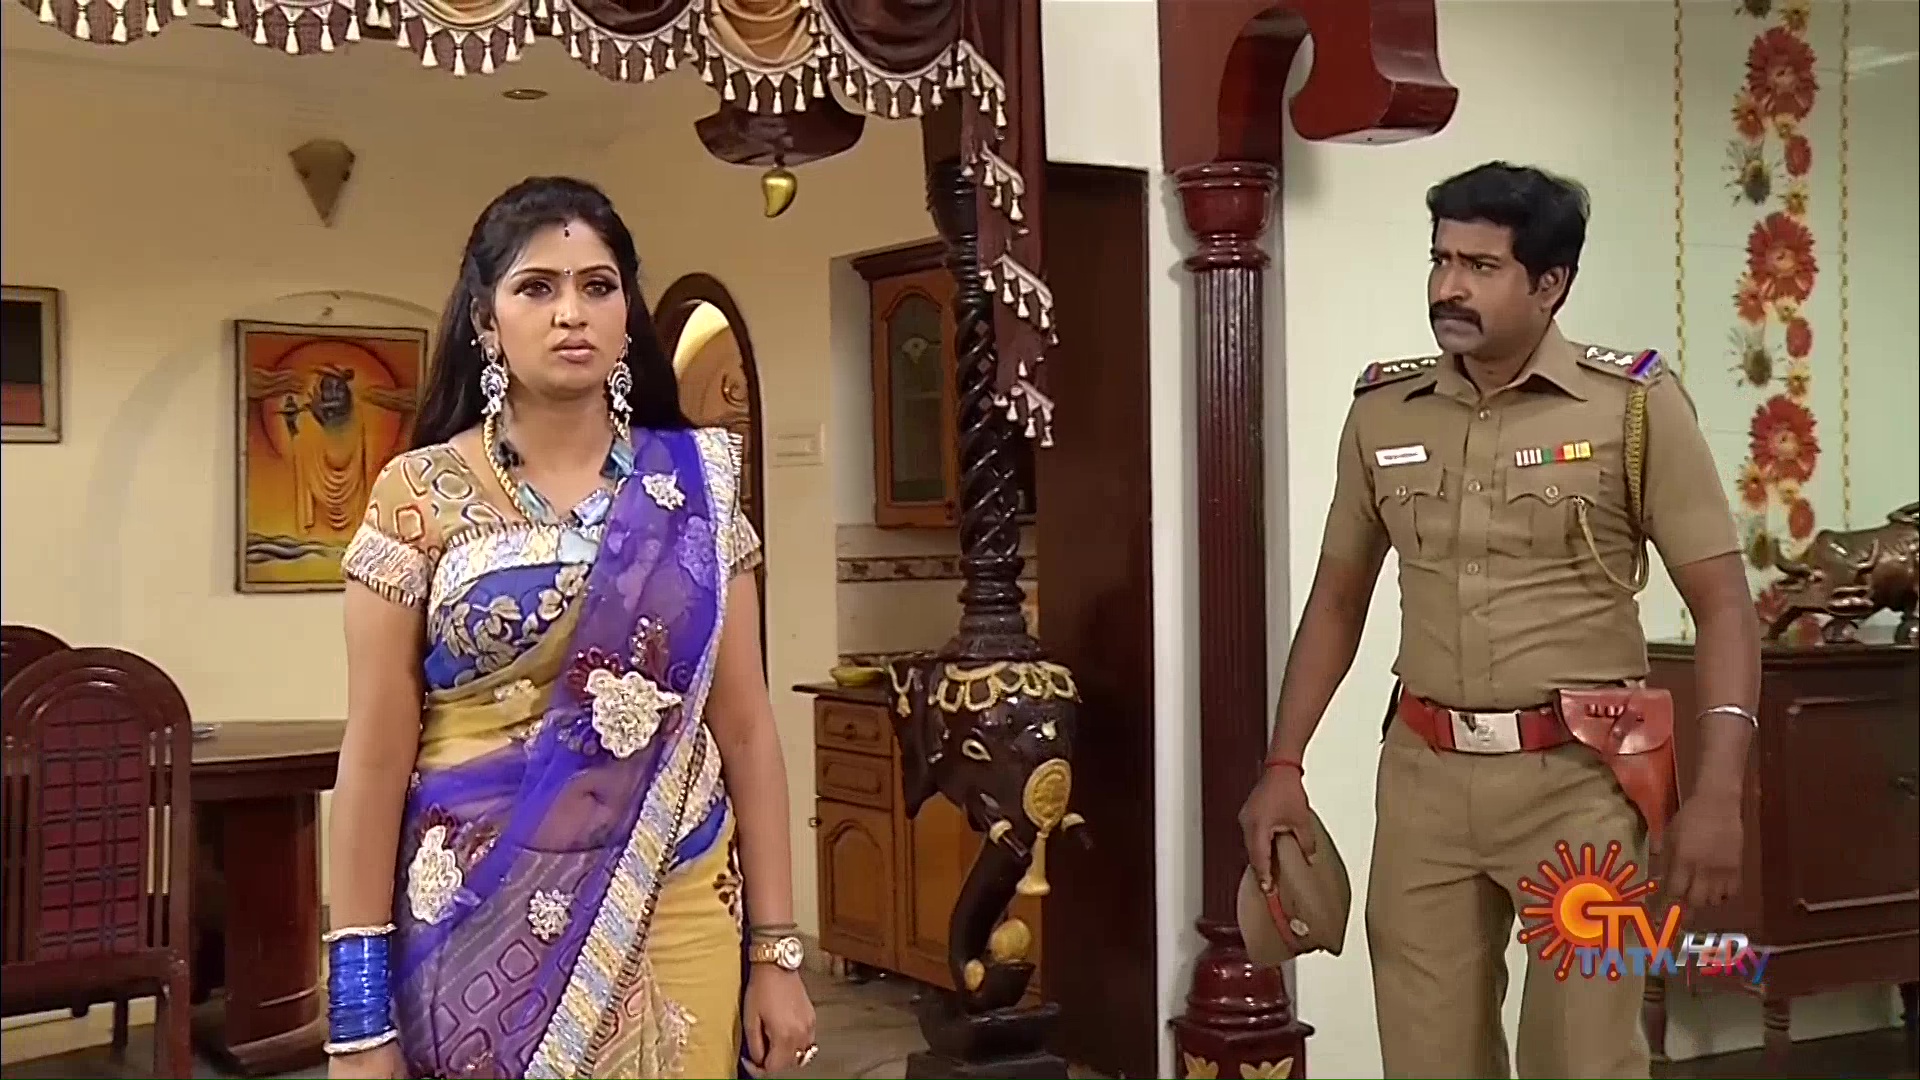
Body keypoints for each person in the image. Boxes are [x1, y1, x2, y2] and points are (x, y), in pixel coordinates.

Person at [1238, 162, 1762, 1079]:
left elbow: (1723, 607)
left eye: (1480, 266)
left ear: (1550, 284)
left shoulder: (1633, 408)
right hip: (1425, 784)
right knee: (1428, 1058)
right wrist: (1284, 764)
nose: (1449, 286)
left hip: (1584, 784)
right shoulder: (1383, 413)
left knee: (1583, 1060)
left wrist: (1719, 793)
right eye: (1441, 260)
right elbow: (1337, 598)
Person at [323, 176, 817, 1080]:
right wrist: (359, 1012)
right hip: (475, 917)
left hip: (676, 896)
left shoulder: (695, 492)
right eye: (536, 287)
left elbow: (746, 728)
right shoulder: (417, 495)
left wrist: (776, 954)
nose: (571, 313)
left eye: (597, 286)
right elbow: (376, 755)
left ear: (627, 315)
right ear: (486, 320)